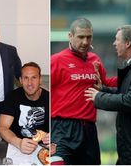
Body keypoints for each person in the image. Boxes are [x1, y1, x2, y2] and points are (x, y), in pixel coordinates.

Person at [85, 25, 131, 165]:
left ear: (128, 43)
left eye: (117, 40)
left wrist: (98, 97)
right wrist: (103, 90)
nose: (114, 43)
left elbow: (130, 100)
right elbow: (123, 93)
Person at [50, 18, 116, 165]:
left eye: (88, 37)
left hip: (88, 129)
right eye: (81, 37)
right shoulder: (56, 60)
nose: (85, 42)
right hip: (61, 128)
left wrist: (130, 76)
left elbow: (105, 84)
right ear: (70, 36)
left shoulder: (95, 60)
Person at [0, 62, 49, 154]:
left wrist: (54, 137)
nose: (30, 83)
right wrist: (18, 142)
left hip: (42, 149)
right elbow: (2, 128)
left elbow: (62, 128)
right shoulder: (13, 96)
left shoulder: (51, 99)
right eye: (26, 78)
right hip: (16, 146)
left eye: (34, 77)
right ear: (20, 80)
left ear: (40, 80)